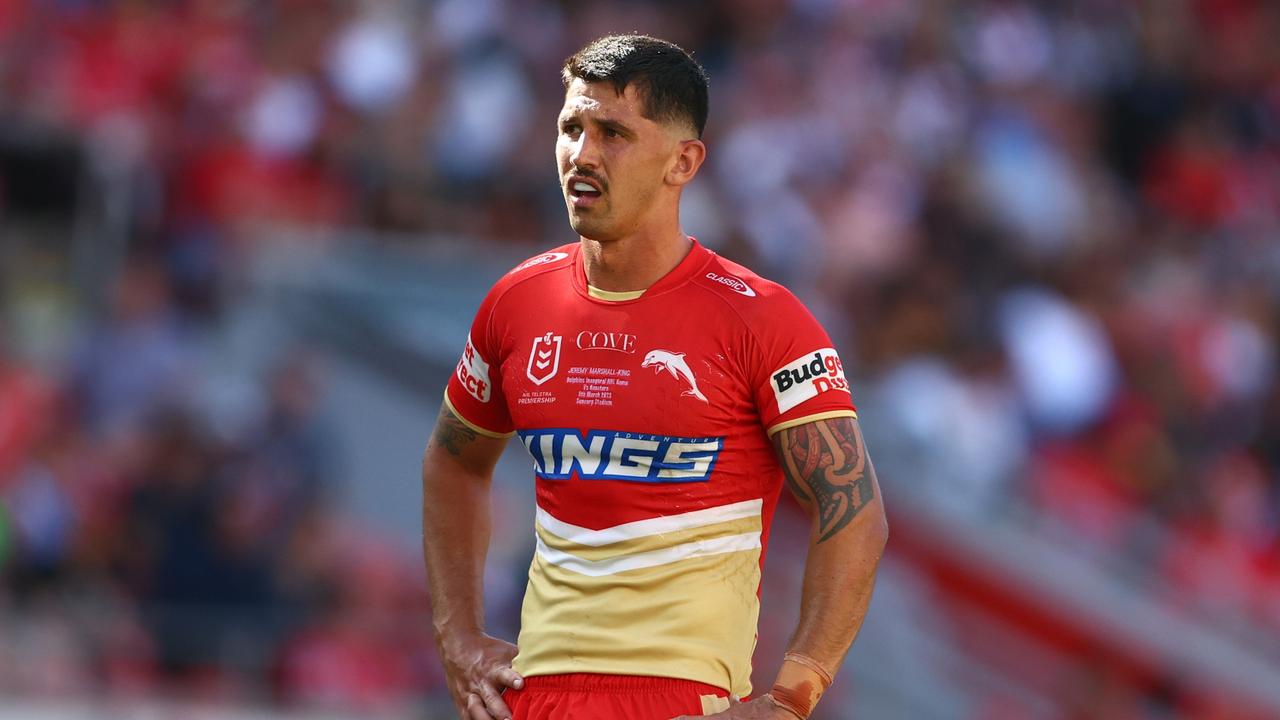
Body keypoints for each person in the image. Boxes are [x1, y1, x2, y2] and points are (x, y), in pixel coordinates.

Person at [422, 34, 887, 720]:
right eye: (571, 128)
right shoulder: (516, 304)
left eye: (613, 133)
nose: (581, 155)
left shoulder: (763, 320)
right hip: (534, 699)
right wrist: (457, 635)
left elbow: (853, 510)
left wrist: (792, 694)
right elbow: (454, 463)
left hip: (683, 702)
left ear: (683, 162)